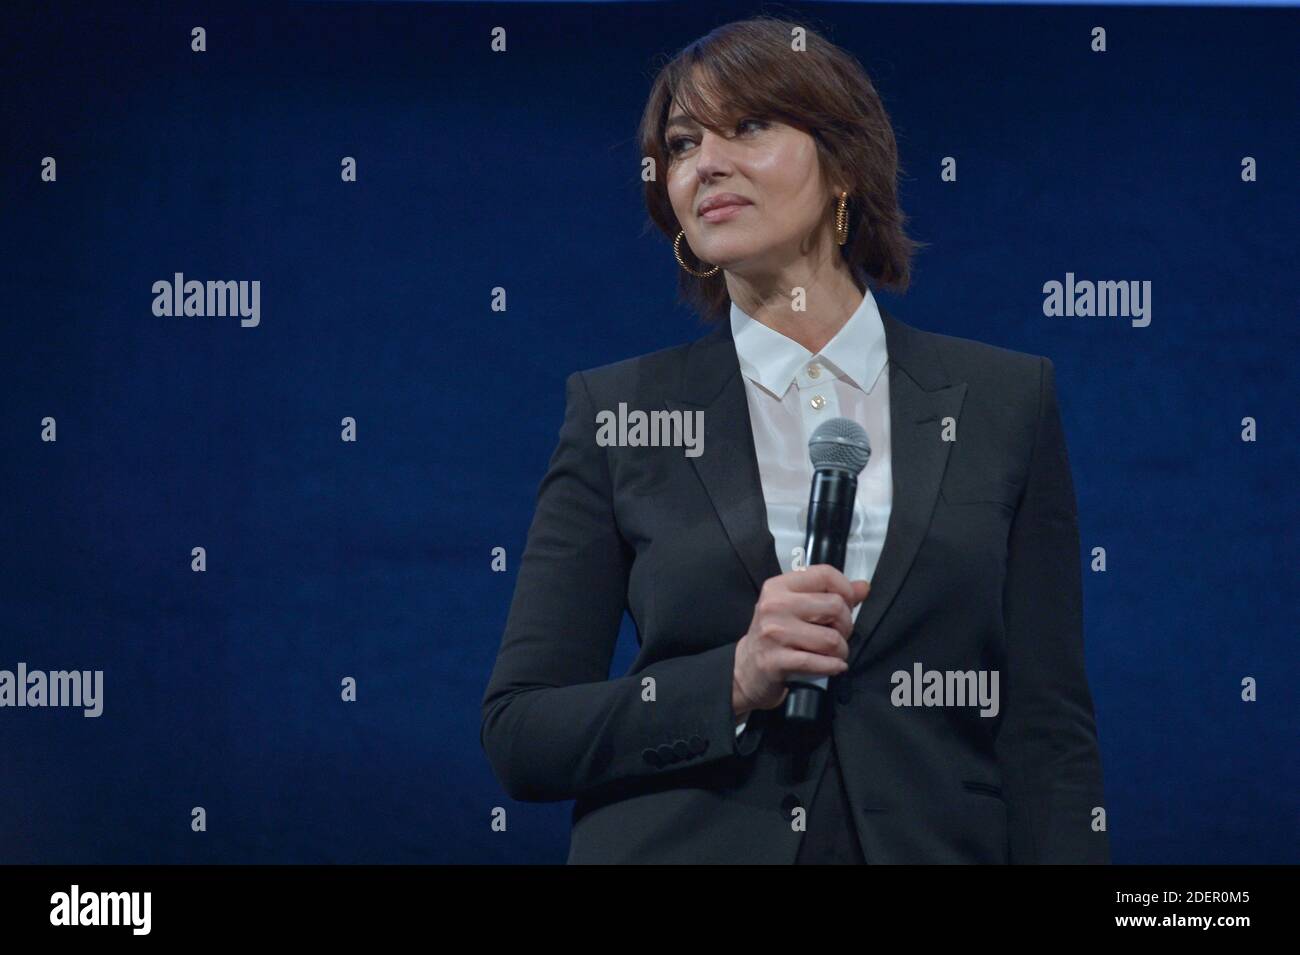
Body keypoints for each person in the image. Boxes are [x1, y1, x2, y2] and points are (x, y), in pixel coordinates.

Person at [480, 15, 1109, 864]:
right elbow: (522, 731)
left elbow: (1049, 732)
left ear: (844, 163)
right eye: (681, 142)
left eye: (748, 126)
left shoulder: (1007, 400)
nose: (706, 162)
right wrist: (732, 679)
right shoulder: (617, 413)